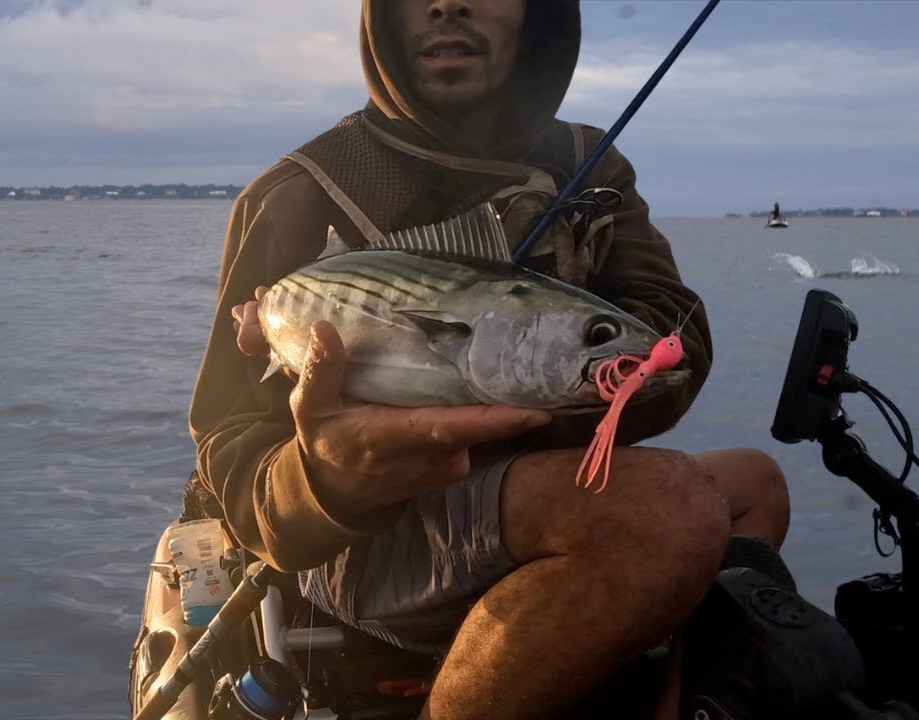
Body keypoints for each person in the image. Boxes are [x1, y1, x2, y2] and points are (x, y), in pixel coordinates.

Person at [189, 1, 791, 718]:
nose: (448, 4)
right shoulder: (298, 193)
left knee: (756, 484)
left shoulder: (589, 162)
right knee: (669, 511)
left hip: (534, 487)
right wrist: (326, 474)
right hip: (365, 537)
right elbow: (229, 456)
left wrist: (568, 377)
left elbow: (674, 336)